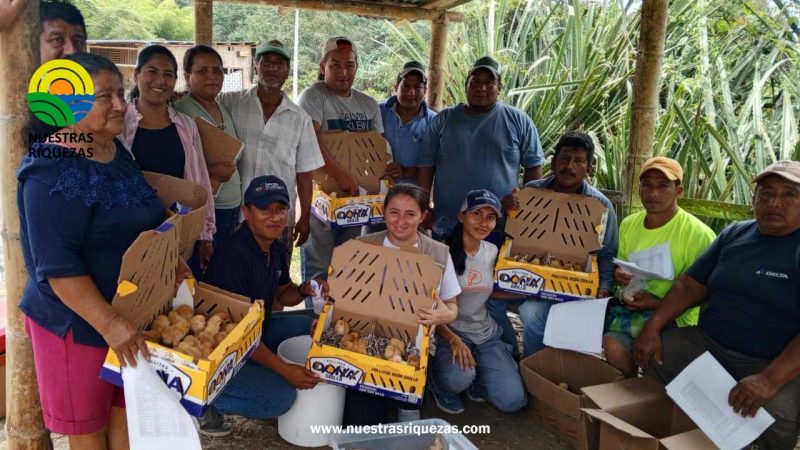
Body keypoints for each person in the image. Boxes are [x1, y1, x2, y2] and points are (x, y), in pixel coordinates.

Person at [18, 52, 183, 450]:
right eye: (104, 97)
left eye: (120, 94)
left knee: (127, 416)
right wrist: (110, 325)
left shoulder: (116, 151)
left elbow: (141, 218)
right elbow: (58, 266)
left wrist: (170, 261)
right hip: (78, 325)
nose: (120, 105)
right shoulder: (49, 170)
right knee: (89, 433)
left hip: (128, 315)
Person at [634, 160, 800, 450]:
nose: (775, 202)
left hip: (775, 361)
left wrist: (769, 379)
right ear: (753, 199)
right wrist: (653, 326)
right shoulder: (735, 234)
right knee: (658, 354)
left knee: (775, 412)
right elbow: (690, 285)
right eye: (766, 193)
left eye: (790, 194)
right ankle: (667, 434)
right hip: (710, 343)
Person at [200, 176, 328, 436]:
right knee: (280, 399)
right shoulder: (233, 257)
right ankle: (203, 399)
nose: (274, 217)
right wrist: (285, 371)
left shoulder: (273, 246)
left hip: (256, 331)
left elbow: (282, 294)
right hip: (222, 351)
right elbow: (239, 335)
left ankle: (256, 374)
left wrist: (304, 288)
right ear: (246, 212)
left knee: (311, 325)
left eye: (280, 209)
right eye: (264, 209)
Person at [344, 183, 461, 426]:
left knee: (407, 395)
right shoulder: (363, 245)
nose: (400, 221)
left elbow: (452, 306)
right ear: (383, 212)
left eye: (410, 214)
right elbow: (343, 297)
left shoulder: (438, 253)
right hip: (367, 339)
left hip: (414, 344)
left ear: (423, 216)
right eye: (394, 212)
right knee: (362, 420)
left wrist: (443, 316)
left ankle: (408, 407)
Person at [496, 131, 618, 358]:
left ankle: (539, 366)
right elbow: (510, 237)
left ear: (589, 168)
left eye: (578, 161)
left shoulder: (600, 205)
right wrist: (505, 211)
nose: (569, 166)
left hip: (572, 287)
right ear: (553, 162)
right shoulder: (532, 191)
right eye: (564, 159)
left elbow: (607, 253)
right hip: (526, 279)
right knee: (492, 299)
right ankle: (518, 358)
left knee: (534, 313)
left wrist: (604, 288)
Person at [604, 157, 715, 377]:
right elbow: (622, 267)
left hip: (676, 320)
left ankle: (649, 385)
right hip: (634, 309)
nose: (653, 193)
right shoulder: (629, 224)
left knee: (656, 365)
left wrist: (655, 303)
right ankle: (630, 387)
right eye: (647, 185)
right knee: (611, 346)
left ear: (679, 191)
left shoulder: (698, 234)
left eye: (663, 186)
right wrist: (621, 276)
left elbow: (702, 293)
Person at [416, 55, 544, 241]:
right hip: (448, 222)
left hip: (498, 224)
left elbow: (534, 167)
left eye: (489, 83)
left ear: (500, 87)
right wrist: (424, 206)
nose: (481, 88)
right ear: (466, 84)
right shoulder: (443, 119)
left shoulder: (519, 120)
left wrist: (524, 208)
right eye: (475, 81)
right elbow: (426, 166)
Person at [219, 39, 323, 259]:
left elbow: (305, 173)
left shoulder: (300, 118)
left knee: (276, 274)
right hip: (238, 214)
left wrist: (304, 217)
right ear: (256, 66)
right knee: (233, 275)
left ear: (288, 71)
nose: (273, 68)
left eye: (279, 63)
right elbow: (202, 105)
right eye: (266, 62)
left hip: (279, 219)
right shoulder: (231, 103)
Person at [430, 190, 527, 415]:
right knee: (458, 379)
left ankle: (480, 379)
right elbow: (431, 306)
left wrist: (533, 292)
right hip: (451, 333)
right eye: (477, 214)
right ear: (462, 216)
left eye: (490, 217)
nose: (483, 222)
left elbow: (493, 291)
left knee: (513, 400)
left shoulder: (494, 252)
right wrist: (453, 340)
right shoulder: (441, 253)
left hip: (485, 333)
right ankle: (439, 384)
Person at [122, 44, 216, 270]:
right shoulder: (119, 122)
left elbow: (200, 180)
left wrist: (205, 233)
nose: (160, 81)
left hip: (177, 231)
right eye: (152, 72)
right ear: (136, 75)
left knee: (176, 287)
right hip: (129, 231)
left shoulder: (186, 125)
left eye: (168, 74)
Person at [298, 36, 384, 281]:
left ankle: (341, 307)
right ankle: (315, 306)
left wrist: (387, 167)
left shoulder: (369, 104)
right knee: (319, 266)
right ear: (322, 66)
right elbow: (311, 141)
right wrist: (340, 175)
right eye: (335, 65)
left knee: (349, 267)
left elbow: (378, 147)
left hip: (356, 197)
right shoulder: (313, 96)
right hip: (320, 197)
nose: (343, 72)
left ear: (357, 67)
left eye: (349, 65)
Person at [174, 45, 242, 249]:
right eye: (202, 71)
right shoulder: (181, 112)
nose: (212, 76)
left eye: (217, 70)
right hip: (208, 211)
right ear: (187, 76)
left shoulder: (222, 106)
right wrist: (210, 172)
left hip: (233, 207)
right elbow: (177, 166)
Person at [379, 60, 436, 185]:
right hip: (378, 190)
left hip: (414, 192)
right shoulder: (378, 112)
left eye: (417, 87)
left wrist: (406, 171)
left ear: (425, 91)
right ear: (396, 88)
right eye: (405, 86)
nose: (411, 92)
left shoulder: (434, 121)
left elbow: (438, 163)